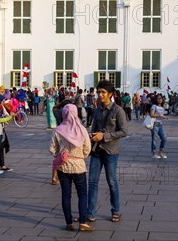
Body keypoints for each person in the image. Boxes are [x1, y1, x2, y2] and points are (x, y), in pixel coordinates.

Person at [87, 80, 128, 224]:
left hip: (111, 151)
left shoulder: (118, 110)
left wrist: (104, 136)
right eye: (99, 92)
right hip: (97, 150)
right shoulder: (97, 109)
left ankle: (115, 211)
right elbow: (93, 127)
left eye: (103, 92)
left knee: (112, 182)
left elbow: (124, 131)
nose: (100, 95)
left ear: (110, 94)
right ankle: (90, 212)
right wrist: (92, 136)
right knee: (92, 182)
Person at [50, 104, 93, 232]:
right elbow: (87, 148)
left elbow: (52, 149)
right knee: (82, 194)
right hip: (79, 167)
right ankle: (83, 222)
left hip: (63, 167)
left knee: (66, 195)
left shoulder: (58, 130)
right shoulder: (82, 130)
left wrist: (60, 155)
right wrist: (81, 156)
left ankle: (69, 222)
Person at [149, 95, 168, 159]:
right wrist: (159, 115)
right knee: (154, 139)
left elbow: (162, 115)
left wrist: (164, 117)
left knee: (164, 138)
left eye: (161, 98)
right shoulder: (154, 106)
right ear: (156, 100)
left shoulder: (162, 107)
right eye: (158, 98)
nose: (160, 100)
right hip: (155, 124)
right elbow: (151, 114)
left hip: (160, 124)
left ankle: (160, 152)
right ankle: (154, 153)